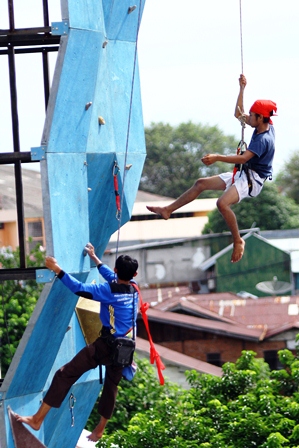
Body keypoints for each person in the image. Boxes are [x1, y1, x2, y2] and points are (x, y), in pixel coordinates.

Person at [146, 74, 277, 263]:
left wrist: (217, 157)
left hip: (252, 181)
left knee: (222, 204)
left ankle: (238, 240)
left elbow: (243, 157)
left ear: (261, 117)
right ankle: (168, 210)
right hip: (244, 173)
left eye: (252, 115)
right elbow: (238, 114)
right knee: (200, 183)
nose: (249, 117)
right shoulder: (264, 124)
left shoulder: (264, 139)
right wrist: (242, 89)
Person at [16, 243, 139, 442]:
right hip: (125, 350)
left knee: (65, 374)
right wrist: (95, 259)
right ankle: (100, 429)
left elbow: (80, 288)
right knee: (111, 387)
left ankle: (38, 419)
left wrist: (57, 269)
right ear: (134, 274)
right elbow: (111, 276)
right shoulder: (134, 289)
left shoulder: (109, 291)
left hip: (105, 346)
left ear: (117, 270)